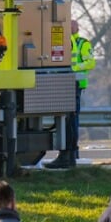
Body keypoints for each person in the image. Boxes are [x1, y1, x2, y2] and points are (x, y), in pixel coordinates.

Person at [45, 19, 94, 169]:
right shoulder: (61, 41)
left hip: (75, 85)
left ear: (77, 27)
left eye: (73, 24)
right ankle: (69, 156)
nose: (70, 26)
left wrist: (73, 69)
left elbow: (90, 63)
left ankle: (69, 156)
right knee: (68, 121)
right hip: (65, 86)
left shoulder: (82, 43)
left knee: (71, 122)